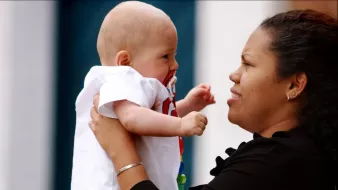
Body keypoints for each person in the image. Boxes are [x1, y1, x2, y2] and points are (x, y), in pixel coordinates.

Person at [88, 9, 338, 190]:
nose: (234, 75)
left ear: (294, 85)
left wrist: (121, 152)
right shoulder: (295, 156)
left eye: (248, 64)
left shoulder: (280, 163)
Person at [71, 1, 215, 190]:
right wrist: (180, 125)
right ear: (125, 61)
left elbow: (149, 119)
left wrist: (187, 105)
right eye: (165, 56)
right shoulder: (121, 79)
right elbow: (132, 119)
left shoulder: (129, 89)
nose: (175, 65)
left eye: (174, 55)